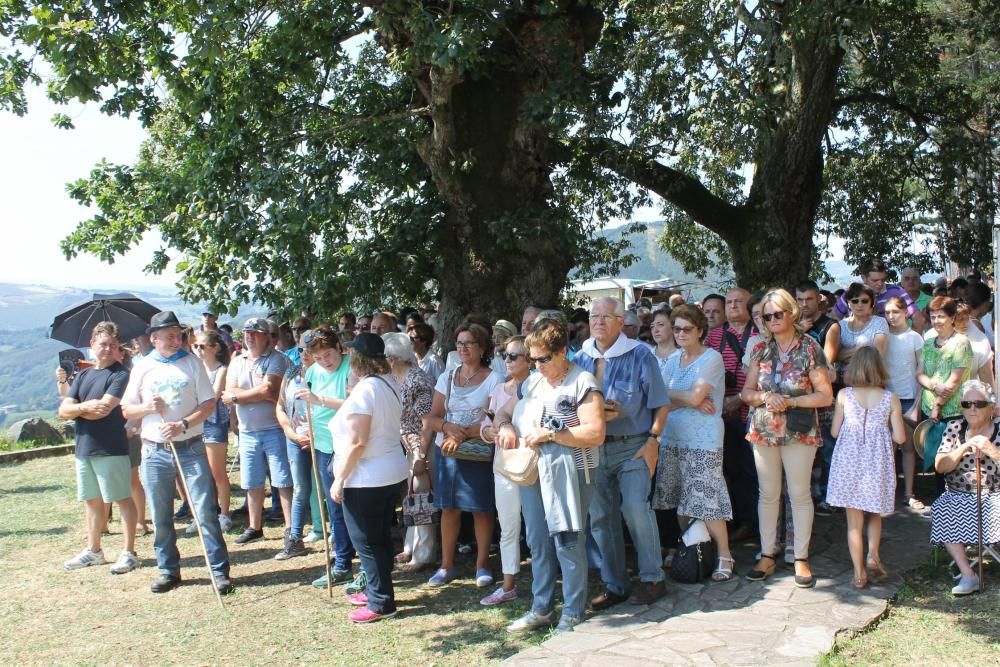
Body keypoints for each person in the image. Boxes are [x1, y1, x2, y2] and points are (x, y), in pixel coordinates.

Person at [492, 319, 605, 634]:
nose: (538, 365)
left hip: (573, 470)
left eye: (544, 359)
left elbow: (595, 432)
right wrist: (505, 426)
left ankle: (572, 611)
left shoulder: (582, 382)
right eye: (533, 359)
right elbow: (504, 411)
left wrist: (551, 436)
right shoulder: (533, 383)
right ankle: (541, 608)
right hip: (534, 470)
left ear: (563, 352)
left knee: (568, 540)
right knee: (538, 541)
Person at [122, 311, 232, 594]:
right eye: (169, 335)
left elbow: (209, 403)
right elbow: (126, 409)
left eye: (178, 334)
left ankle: (219, 572)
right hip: (154, 450)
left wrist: (184, 423)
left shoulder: (192, 363)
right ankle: (168, 570)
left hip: (190, 447)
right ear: (154, 338)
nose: (176, 339)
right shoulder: (142, 367)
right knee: (160, 514)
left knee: (205, 511)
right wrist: (147, 408)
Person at [575, 296, 669, 607]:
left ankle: (653, 578)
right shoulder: (581, 357)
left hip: (633, 445)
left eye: (605, 316)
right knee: (600, 517)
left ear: (620, 322)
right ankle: (615, 585)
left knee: (634, 509)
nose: (598, 322)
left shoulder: (641, 354)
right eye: (594, 316)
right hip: (595, 446)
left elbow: (661, 403)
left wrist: (653, 439)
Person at [741, 289, 833, 587]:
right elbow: (746, 393)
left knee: (799, 492)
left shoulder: (810, 348)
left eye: (777, 314)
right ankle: (768, 553)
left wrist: (790, 401)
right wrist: (766, 396)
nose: (771, 320)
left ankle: (801, 557)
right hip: (764, 429)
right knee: (767, 493)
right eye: (766, 316)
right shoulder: (759, 350)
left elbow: (824, 396)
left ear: (791, 313)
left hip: (799, 429)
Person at [327, 333, 408, 623]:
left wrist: (339, 478)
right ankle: (377, 588)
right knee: (380, 537)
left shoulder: (365, 390)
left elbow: (359, 442)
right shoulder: (390, 384)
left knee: (367, 542)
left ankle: (381, 602)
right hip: (390, 471)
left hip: (367, 477)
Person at [652, 305, 735, 581]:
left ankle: (724, 553)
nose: (681, 333)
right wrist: (686, 398)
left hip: (703, 439)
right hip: (674, 436)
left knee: (706, 497)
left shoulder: (711, 359)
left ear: (700, 330)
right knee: (681, 500)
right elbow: (665, 401)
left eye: (687, 328)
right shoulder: (673, 360)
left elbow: (695, 398)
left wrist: (684, 398)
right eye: (676, 328)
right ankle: (692, 549)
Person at [425, 321, 504, 587]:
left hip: (478, 452)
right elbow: (432, 417)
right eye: (459, 343)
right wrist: (448, 428)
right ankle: (446, 565)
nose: (463, 348)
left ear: (482, 347)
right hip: (446, 452)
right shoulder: (446, 377)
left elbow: (497, 418)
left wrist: (464, 433)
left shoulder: (494, 379)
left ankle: (483, 564)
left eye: (469, 343)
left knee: (481, 509)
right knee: (449, 508)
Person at [59, 321, 140, 574]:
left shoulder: (120, 374)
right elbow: (63, 410)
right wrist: (83, 408)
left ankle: (129, 552)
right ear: (92, 345)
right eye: (103, 344)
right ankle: (93, 550)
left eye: (113, 345)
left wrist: (78, 410)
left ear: (118, 349)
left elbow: (104, 409)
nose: (107, 349)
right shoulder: (83, 375)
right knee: (91, 501)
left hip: (110, 447)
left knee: (122, 498)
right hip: (84, 447)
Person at [827, 347, 906, 589]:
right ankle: (873, 554)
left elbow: (834, 431)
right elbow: (901, 437)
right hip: (877, 461)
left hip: (849, 462)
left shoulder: (844, 396)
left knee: (854, 523)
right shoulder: (889, 398)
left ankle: (859, 573)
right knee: (874, 513)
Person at [222, 317, 293, 550]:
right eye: (247, 332)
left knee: (282, 480)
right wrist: (245, 395)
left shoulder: (277, 360)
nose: (249, 336)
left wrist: (237, 396)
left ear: (267, 337)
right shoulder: (237, 360)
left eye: (255, 333)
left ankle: (291, 529)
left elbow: (269, 390)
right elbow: (229, 389)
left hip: (274, 428)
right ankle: (255, 526)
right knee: (252, 481)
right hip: (247, 431)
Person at [296, 327, 357, 583]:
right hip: (321, 444)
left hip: (347, 444)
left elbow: (354, 403)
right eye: (318, 357)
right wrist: (304, 423)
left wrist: (319, 399)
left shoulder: (351, 368)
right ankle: (341, 562)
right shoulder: (312, 371)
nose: (324, 361)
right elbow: (306, 403)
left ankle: (362, 562)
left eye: (328, 355)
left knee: (353, 506)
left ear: (339, 348)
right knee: (334, 507)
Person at [929, 380, 1000, 595]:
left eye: (978, 403)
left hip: (996, 494)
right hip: (959, 494)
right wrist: (964, 448)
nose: (972, 409)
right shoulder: (955, 427)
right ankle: (969, 576)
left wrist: (990, 449)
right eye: (967, 404)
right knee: (943, 507)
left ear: (991, 407)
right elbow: (940, 467)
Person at [478, 335, 531, 606]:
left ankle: (545, 580)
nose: (507, 361)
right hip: (505, 465)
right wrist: (489, 431)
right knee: (509, 526)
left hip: (533, 465)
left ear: (529, 359)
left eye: (514, 356)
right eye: (505, 356)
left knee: (537, 528)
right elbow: (486, 426)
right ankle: (509, 583)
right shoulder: (500, 390)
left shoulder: (536, 387)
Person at [704, 287, 757, 542]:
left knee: (753, 470)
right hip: (722, 414)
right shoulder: (714, 337)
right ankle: (739, 520)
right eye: (730, 302)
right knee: (731, 469)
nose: (734, 305)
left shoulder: (760, 333)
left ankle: (756, 523)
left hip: (752, 413)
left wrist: (738, 398)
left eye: (739, 301)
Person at [383, 331, 437, 570]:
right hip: (405, 446)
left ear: (392, 358)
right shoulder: (396, 378)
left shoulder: (419, 380)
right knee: (411, 498)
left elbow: (427, 423)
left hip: (420, 447)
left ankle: (423, 554)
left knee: (422, 497)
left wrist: (421, 456)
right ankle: (410, 546)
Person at [275, 331, 317, 561]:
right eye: (301, 349)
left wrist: (316, 433)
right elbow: (280, 406)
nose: (304, 354)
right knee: (301, 488)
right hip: (295, 438)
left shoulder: (324, 374)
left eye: (309, 350)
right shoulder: (291, 373)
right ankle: (295, 538)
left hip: (321, 439)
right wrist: (290, 432)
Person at [883, 296, 925, 508]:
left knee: (908, 447)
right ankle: (888, 493)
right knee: (888, 448)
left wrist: (918, 402)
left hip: (908, 397)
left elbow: (921, 370)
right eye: (887, 312)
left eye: (895, 312)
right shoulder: (883, 337)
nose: (891, 316)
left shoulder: (915, 338)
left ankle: (909, 492)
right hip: (887, 399)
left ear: (906, 313)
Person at [191, 330, 233, 532]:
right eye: (195, 346)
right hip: (198, 424)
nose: (197, 350)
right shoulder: (197, 369)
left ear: (214, 348)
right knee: (202, 473)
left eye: (201, 346)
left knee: (217, 473)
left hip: (214, 423)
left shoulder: (222, 369)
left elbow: (213, 395)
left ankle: (224, 514)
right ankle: (205, 513)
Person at [913, 296, 973, 423]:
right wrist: (934, 386)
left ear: (952, 318)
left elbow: (954, 381)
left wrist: (937, 406)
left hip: (952, 413)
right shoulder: (928, 343)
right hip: (926, 409)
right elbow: (919, 373)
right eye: (933, 317)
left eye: (941, 316)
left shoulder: (961, 342)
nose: (936, 321)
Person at [833, 258, 925, 331]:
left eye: (883, 280)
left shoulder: (896, 292)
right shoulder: (850, 295)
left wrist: (912, 343)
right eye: (875, 280)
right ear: (863, 278)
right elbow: (834, 319)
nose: (880, 283)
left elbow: (919, 318)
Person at [836, 283, 889, 382]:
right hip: (843, 380)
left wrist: (846, 354)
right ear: (848, 303)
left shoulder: (880, 322)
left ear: (872, 303)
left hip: (870, 379)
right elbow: (837, 356)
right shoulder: (841, 325)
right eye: (855, 301)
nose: (859, 305)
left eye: (864, 301)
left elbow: (877, 355)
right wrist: (865, 350)